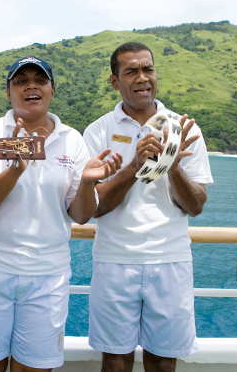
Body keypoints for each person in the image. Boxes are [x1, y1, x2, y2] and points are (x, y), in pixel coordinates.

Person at [0, 56, 122, 372]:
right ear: (8, 92)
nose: (31, 86)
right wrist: (15, 170)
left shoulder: (72, 140)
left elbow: (81, 215)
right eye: (21, 80)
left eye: (40, 80)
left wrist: (86, 183)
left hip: (48, 276)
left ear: (52, 91)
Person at [82, 42, 214, 372]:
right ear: (115, 81)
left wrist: (172, 165)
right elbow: (94, 206)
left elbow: (195, 206)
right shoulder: (98, 131)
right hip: (114, 259)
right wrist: (135, 163)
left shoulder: (185, 130)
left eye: (148, 69)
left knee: (162, 362)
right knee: (115, 361)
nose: (142, 77)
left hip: (170, 258)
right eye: (131, 71)